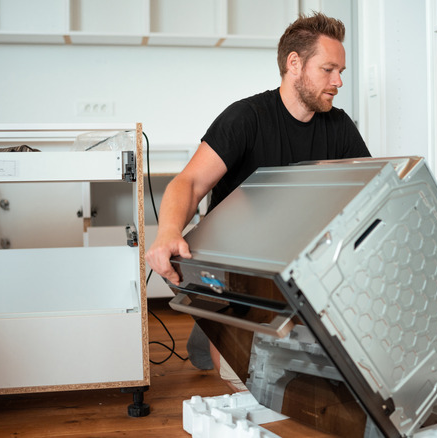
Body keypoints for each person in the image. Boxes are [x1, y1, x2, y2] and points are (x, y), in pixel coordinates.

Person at [144, 11, 371, 389]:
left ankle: (215, 329)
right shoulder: (246, 118)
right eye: (329, 69)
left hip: (296, 263)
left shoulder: (340, 126)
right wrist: (168, 231)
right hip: (237, 263)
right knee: (248, 380)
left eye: (341, 71)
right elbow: (189, 182)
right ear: (294, 64)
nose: (339, 81)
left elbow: (366, 194)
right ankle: (215, 328)